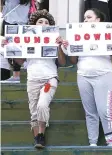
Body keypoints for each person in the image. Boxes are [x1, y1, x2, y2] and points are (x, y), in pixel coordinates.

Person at [2, 10, 66, 149]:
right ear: (34, 25)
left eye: (46, 22)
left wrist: (59, 46)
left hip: (50, 78)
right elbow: (20, 61)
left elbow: (62, 62)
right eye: (40, 22)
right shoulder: (27, 40)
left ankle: (42, 133)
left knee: (42, 105)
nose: (43, 24)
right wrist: (9, 47)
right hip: (32, 79)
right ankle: (38, 137)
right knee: (34, 111)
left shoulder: (54, 40)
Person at [62, 8, 112, 147]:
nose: (85, 20)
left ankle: (111, 142)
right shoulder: (77, 35)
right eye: (84, 18)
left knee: (105, 111)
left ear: (98, 20)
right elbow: (73, 61)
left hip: (104, 76)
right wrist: (70, 47)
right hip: (83, 77)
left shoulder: (109, 34)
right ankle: (93, 143)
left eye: (89, 17)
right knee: (90, 112)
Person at [1, 0, 32, 83]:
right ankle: (16, 74)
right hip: (11, 22)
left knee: (16, 49)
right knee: (10, 49)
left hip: (16, 23)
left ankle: (18, 73)